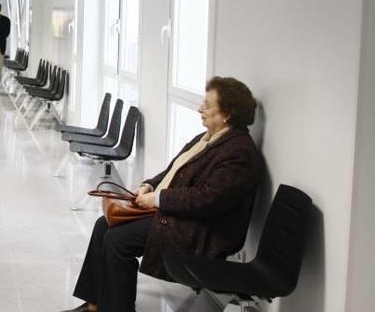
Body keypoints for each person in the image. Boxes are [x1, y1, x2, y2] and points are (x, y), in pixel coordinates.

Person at [62, 77, 262, 312]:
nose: (200, 108)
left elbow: (208, 199)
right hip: (181, 215)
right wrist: (149, 186)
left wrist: (158, 199)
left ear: (227, 113)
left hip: (202, 229)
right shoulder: (207, 138)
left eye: (207, 105)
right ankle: (94, 304)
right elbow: (173, 171)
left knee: (118, 240)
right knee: (102, 225)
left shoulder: (239, 153)